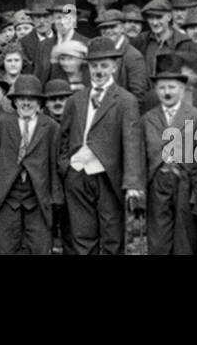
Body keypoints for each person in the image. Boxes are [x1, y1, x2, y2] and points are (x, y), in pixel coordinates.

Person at [58, 37, 143, 255]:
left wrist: (132, 182)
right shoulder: (76, 99)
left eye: (104, 65)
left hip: (107, 176)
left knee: (112, 235)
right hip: (77, 176)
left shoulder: (125, 100)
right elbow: (64, 137)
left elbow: (132, 142)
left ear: (114, 67)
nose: (99, 71)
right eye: (94, 65)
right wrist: (66, 165)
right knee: (82, 234)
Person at [141, 53, 197, 255]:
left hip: (185, 184)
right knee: (158, 241)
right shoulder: (147, 119)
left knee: (185, 241)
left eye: (171, 87)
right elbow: (141, 156)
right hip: (157, 183)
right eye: (162, 87)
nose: (167, 92)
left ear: (182, 89)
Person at [0, 75, 61, 255]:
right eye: (22, 99)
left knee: (40, 248)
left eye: (32, 99)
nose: (26, 103)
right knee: (4, 248)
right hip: (6, 199)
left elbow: (54, 164)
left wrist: (55, 198)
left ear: (39, 103)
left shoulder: (51, 127)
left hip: (37, 199)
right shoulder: (0, 124)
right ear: (14, 101)